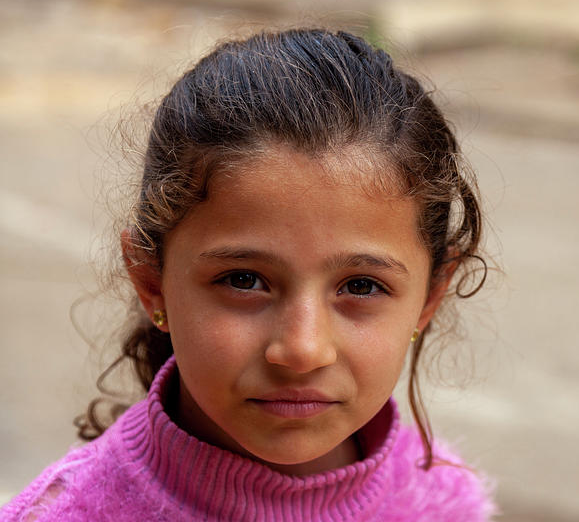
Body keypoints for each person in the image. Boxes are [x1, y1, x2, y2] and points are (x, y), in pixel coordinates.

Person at [1, 28, 495, 521]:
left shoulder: (444, 501)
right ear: (152, 281)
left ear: (430, 299)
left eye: (361, 287)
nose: (302, 350)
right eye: (243, 280)